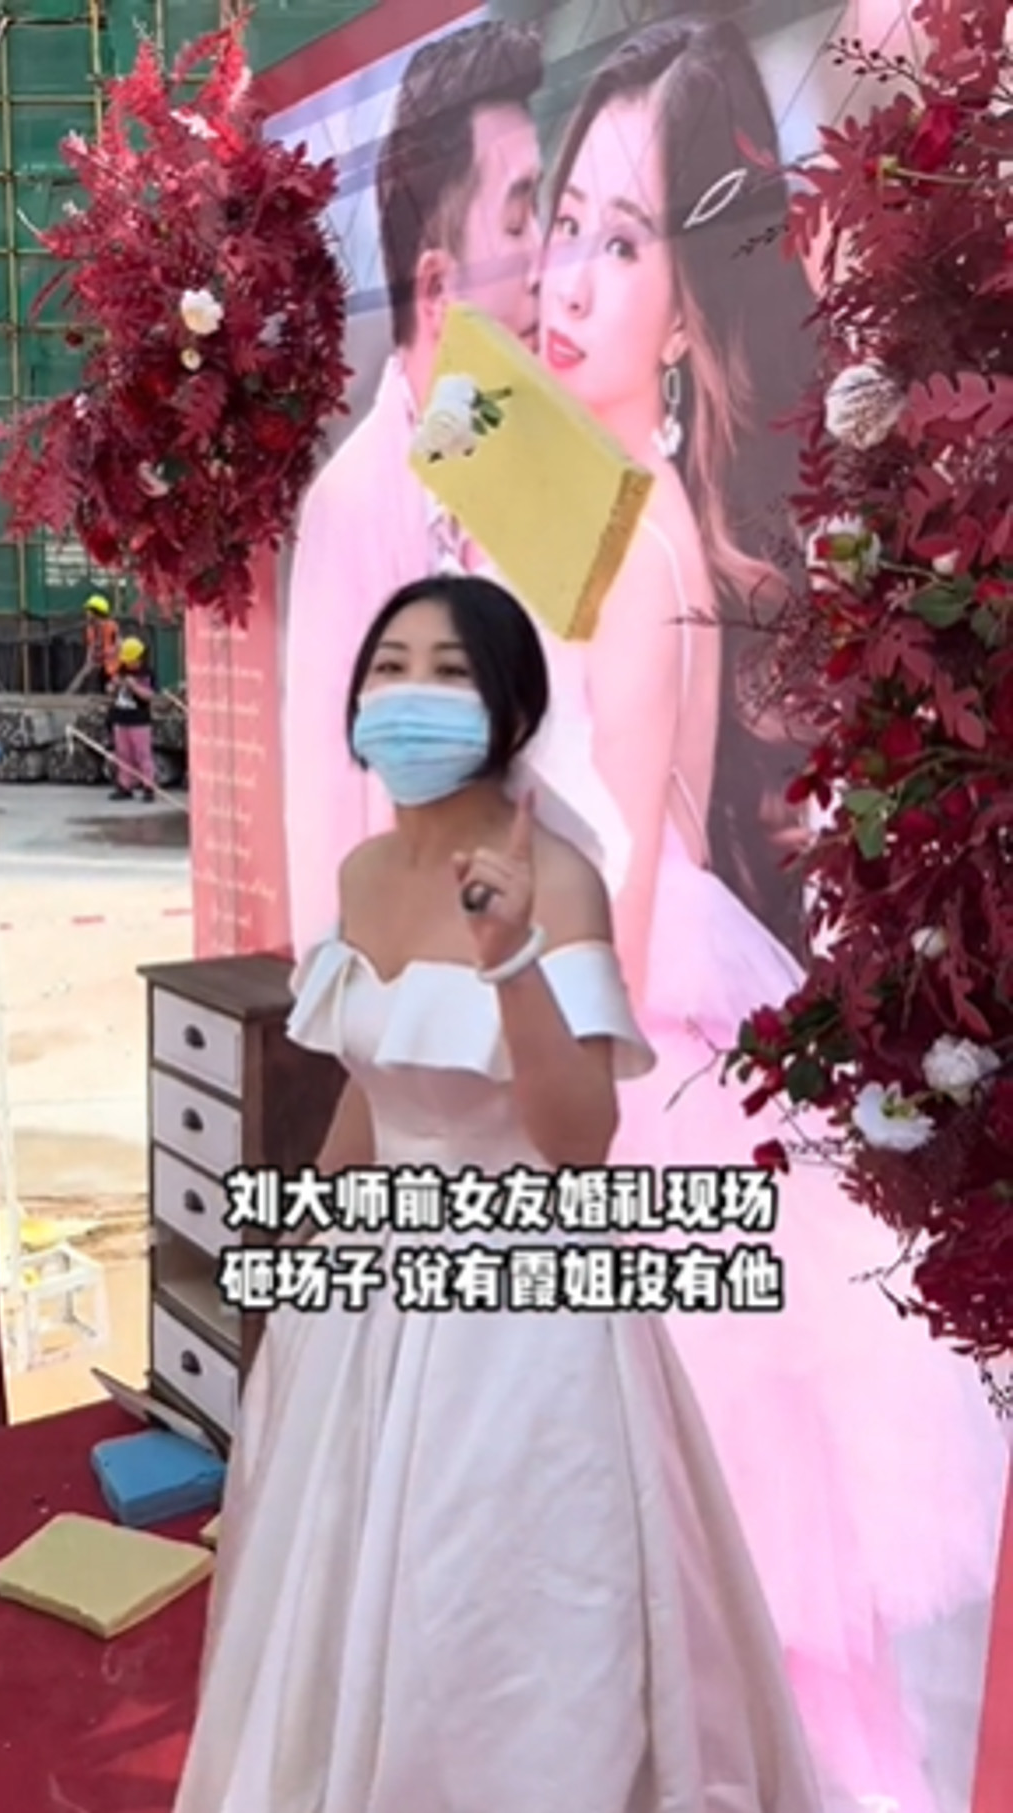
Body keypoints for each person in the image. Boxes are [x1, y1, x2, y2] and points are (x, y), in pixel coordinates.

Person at [529, 21, 1005, 1813]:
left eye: (622, 241)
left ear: (689, 305)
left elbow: (614, 899)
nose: (567, 282)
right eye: (562, 227)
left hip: (630, 1051)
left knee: (697, 1612)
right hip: (635, 1029)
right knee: (706, 1627)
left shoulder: (635, 535)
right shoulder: (594, 505)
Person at [175, 573, 821, 1813]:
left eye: (449, 671)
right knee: (344, 1590)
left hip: (523, 1305)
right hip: (370, 1296)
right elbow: (373, 1082)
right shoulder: (362, 874)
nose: (409, 695)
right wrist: (309, 1237)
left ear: (511, 708)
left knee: (500, 1613)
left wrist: (513, 956)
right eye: (390, 667)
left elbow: (580, 1141)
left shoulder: (557, 877)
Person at [284, 21, 546, 962]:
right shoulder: (355, 502)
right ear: (436, 287)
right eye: (518, 222)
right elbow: (330, 811)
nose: (548, 259)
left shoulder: (545, 462)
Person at [106, 636, 156, 801]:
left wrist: (134, 686)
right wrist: (113, 687)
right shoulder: (121, 671)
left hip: (139, 720)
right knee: (123, 753)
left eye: (131, 661)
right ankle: (125, 785)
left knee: (142, 753)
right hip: (121, 718)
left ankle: (148, 785)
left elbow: (149, 696)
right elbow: (111, 691)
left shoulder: (146, 674)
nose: (128, 664)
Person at [71, 592, 121, 695]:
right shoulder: (90, 630)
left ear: (96, 613)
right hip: (97, 660)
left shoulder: (111, 626)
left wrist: (106, 654)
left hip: (112, 664)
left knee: (111, 685)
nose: (87, 613)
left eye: (89, 611)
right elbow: (90, 649)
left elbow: (119, 646)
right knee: (83, 674)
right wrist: (89, 662)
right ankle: (69, 696)